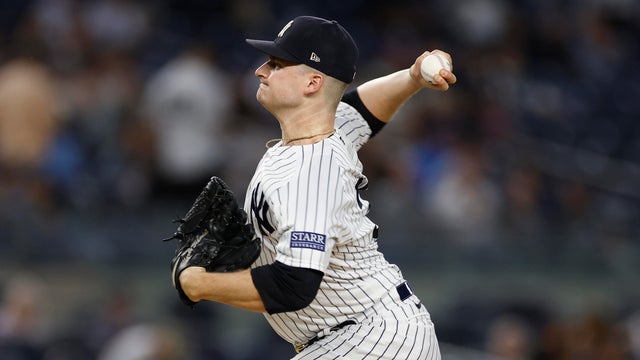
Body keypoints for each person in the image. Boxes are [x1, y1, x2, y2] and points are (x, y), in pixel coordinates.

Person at [178, 15, 456, 359]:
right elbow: (363, 109)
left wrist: (198, 284)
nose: (261, 71)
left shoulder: (309, 168)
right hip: (366, 334)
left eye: (277, 64)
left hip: (371, 338)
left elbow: (294, 285)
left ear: (312, 83)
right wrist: (412, 78)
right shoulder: (325, 130)